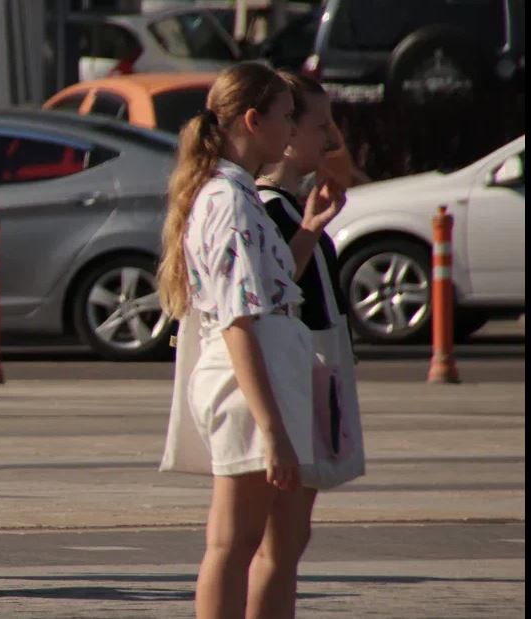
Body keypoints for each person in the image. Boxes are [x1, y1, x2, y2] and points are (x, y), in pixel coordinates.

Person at [156, 62, 346, 619]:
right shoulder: (230, 199)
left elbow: (270, 280)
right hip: (248, 386)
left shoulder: (229, 194)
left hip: (260, 376)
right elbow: (240, 320)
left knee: (247, 542)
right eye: (287, 117)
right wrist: (272, 430)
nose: (294, 130)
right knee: (232, 544)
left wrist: (308, 231)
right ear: (253, 119)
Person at [257, 71, 364, 491]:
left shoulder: (288, 210)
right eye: (320, 126)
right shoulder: (266, 212)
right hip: (298, 383)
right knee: (278, 534)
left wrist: (313, 226)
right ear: (285, 130)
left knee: (292, 533)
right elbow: (274, 294)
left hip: (314, 380)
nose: (333, 140)